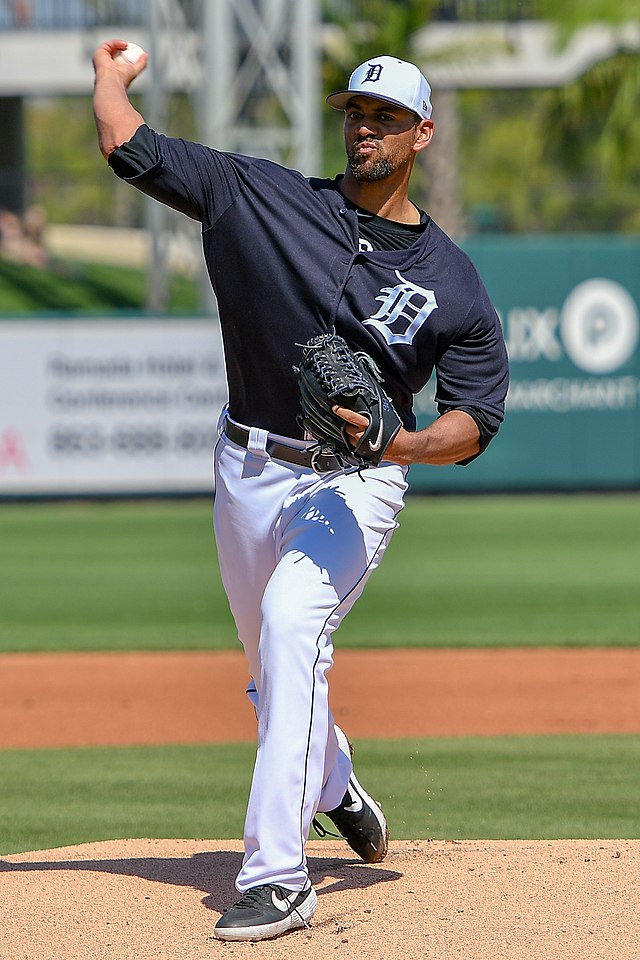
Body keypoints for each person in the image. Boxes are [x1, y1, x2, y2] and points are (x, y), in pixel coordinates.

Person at [92, 44, 509, 942]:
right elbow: (132, 148)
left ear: (421, 133)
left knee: (291, 625)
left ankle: (278, 876)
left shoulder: (452, 281)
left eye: (386, 116)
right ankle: (332, 783)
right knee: (270, 668)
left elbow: (476, 419)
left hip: (355, 485)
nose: (365, 127)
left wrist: (401, 442)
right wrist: (108, 80)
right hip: (246, 465)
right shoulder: (257, 194)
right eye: (356, 111)